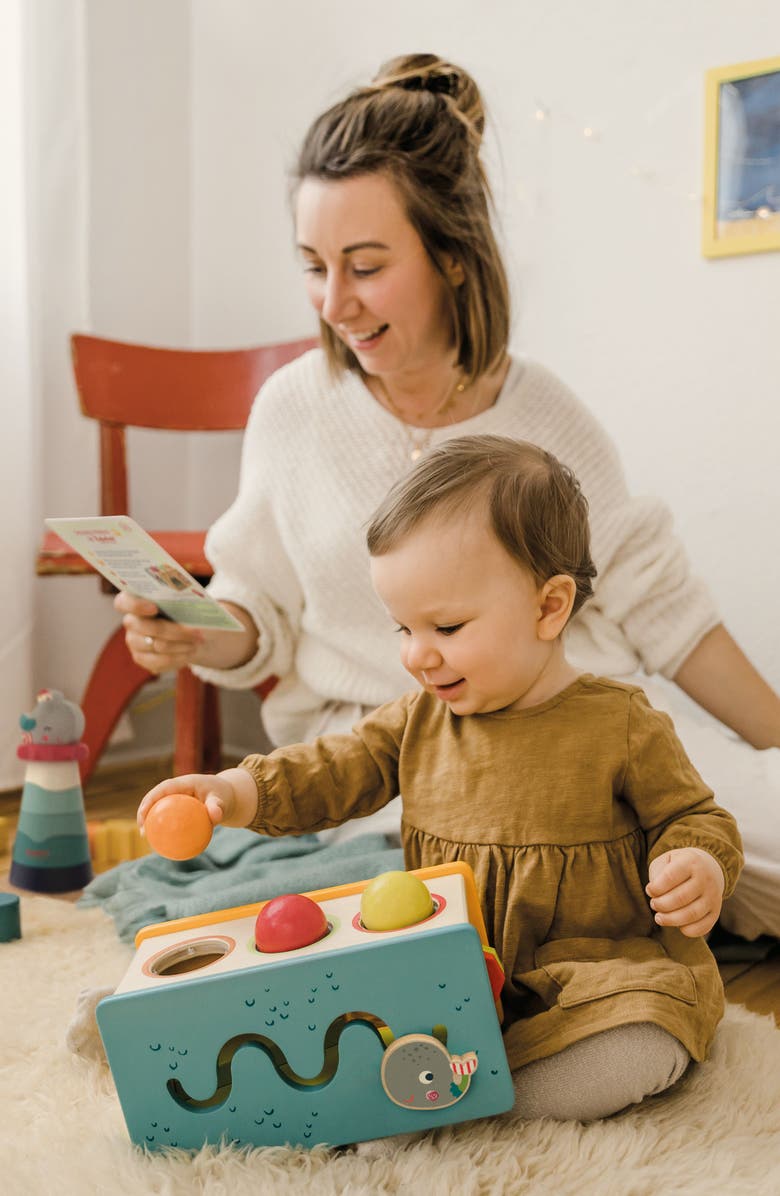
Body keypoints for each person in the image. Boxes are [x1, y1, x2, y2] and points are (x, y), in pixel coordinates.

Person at [115, 52, 779, 940]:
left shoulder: (544, 413)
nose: (334, 303)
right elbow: (257, 604)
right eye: (314, 266)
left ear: (454, 256)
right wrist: (195, 626)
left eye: (366, 265)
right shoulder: (292, 410)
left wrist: (775, 745)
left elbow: (664, 606)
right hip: (399, 757)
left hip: (579, 724)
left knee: (737, 839)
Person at [137, 436, 743, 1122]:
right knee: (326, 1004)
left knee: (642, 1039)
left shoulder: (621, 723)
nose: (417, 654)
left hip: (593, 971)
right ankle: (171, 1035)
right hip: (445, 969)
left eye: (447, 626)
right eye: (402, 627)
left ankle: (475, 1104)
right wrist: (238, 792)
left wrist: (695, 863)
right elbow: (334, 767)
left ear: (549, 608)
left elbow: (692, 816)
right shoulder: (418, 720)